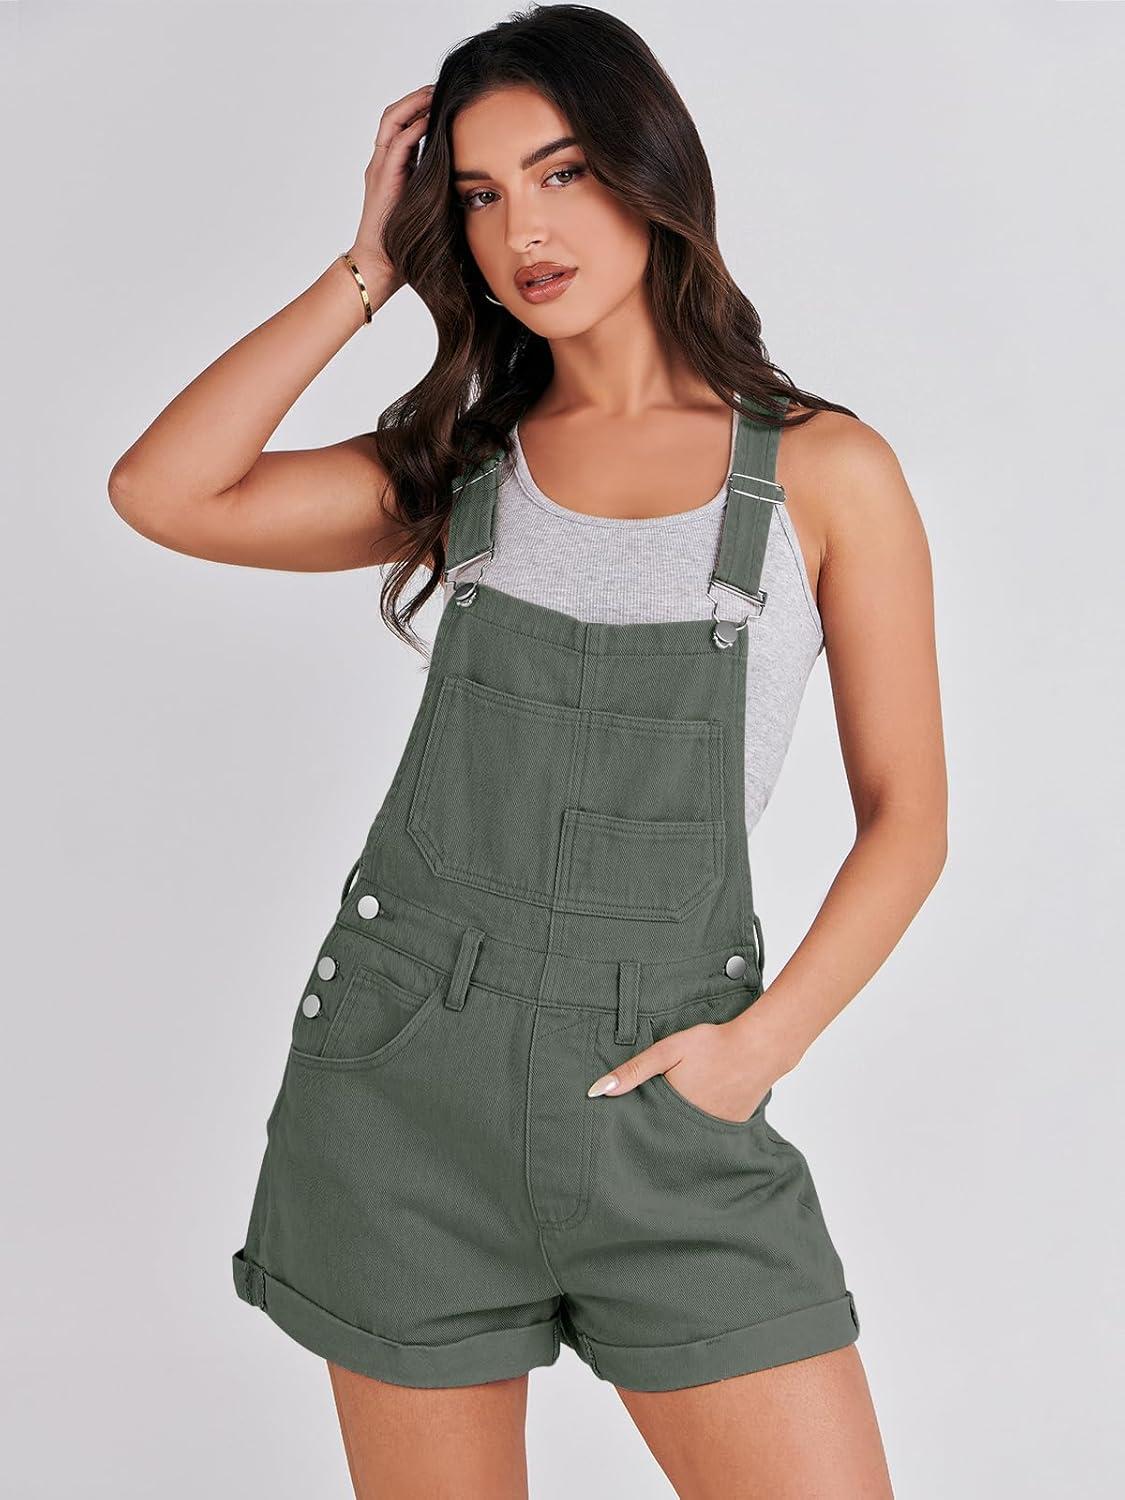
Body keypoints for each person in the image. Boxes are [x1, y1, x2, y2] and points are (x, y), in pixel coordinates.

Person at [109, 7, 944, 1496]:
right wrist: (368, 267)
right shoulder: (468, 462)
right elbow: (166, 493)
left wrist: (756, 1053)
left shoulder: (827, 472)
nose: (523, 233)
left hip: (663, 1105)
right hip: (405, 1101)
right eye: (480, 195)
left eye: (560, 174)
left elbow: (908, 816)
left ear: (648, 169)